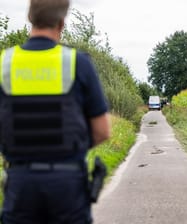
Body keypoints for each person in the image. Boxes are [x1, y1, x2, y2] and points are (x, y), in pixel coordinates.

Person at [0, 0, 110, 223]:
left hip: (20, 184)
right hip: (67, 183)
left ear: (30, 18)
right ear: (61, 23)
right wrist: (68, 147)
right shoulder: (78, 63)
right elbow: (102, 131)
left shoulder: (4, 63)